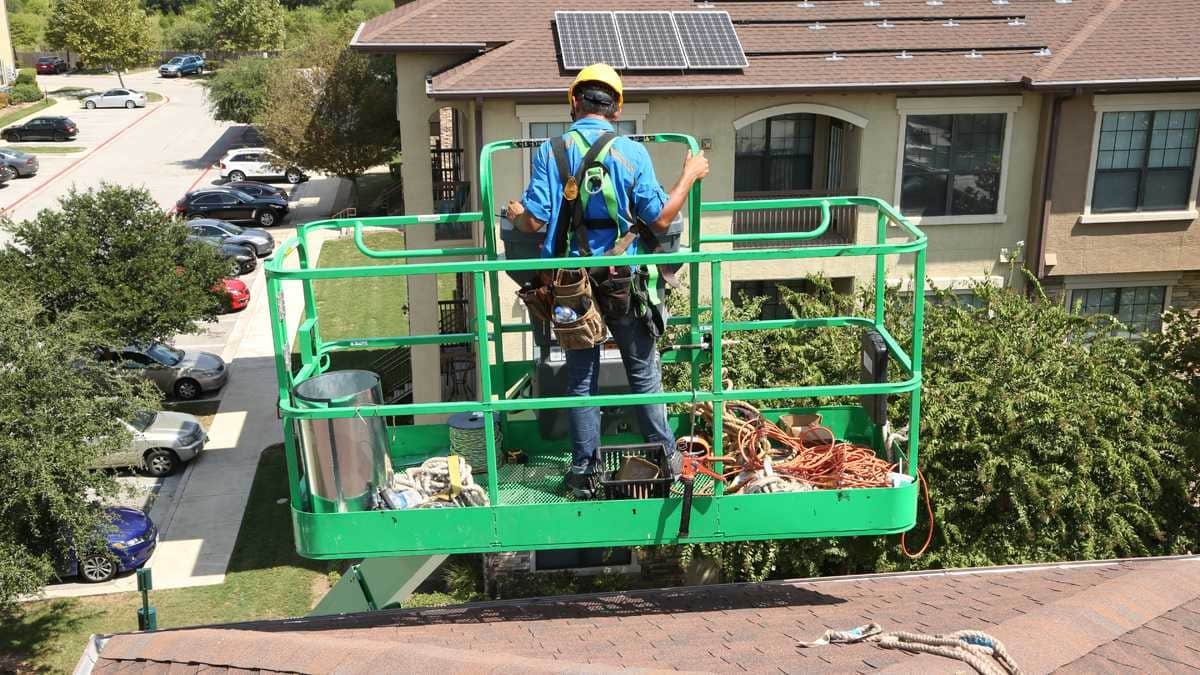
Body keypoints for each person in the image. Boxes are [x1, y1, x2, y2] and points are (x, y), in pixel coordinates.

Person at [505, 63, 709, 497]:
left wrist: (515, 213)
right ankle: (665, 456)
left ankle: (583, 471)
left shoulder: (550, 151)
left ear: (574, 103)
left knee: (582, 378)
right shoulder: (631, 153)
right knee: (643, 370)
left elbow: (535, 222)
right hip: (622, 280)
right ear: (616, 109)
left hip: (569, 285)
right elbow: (661, 218)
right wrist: (689, 175)